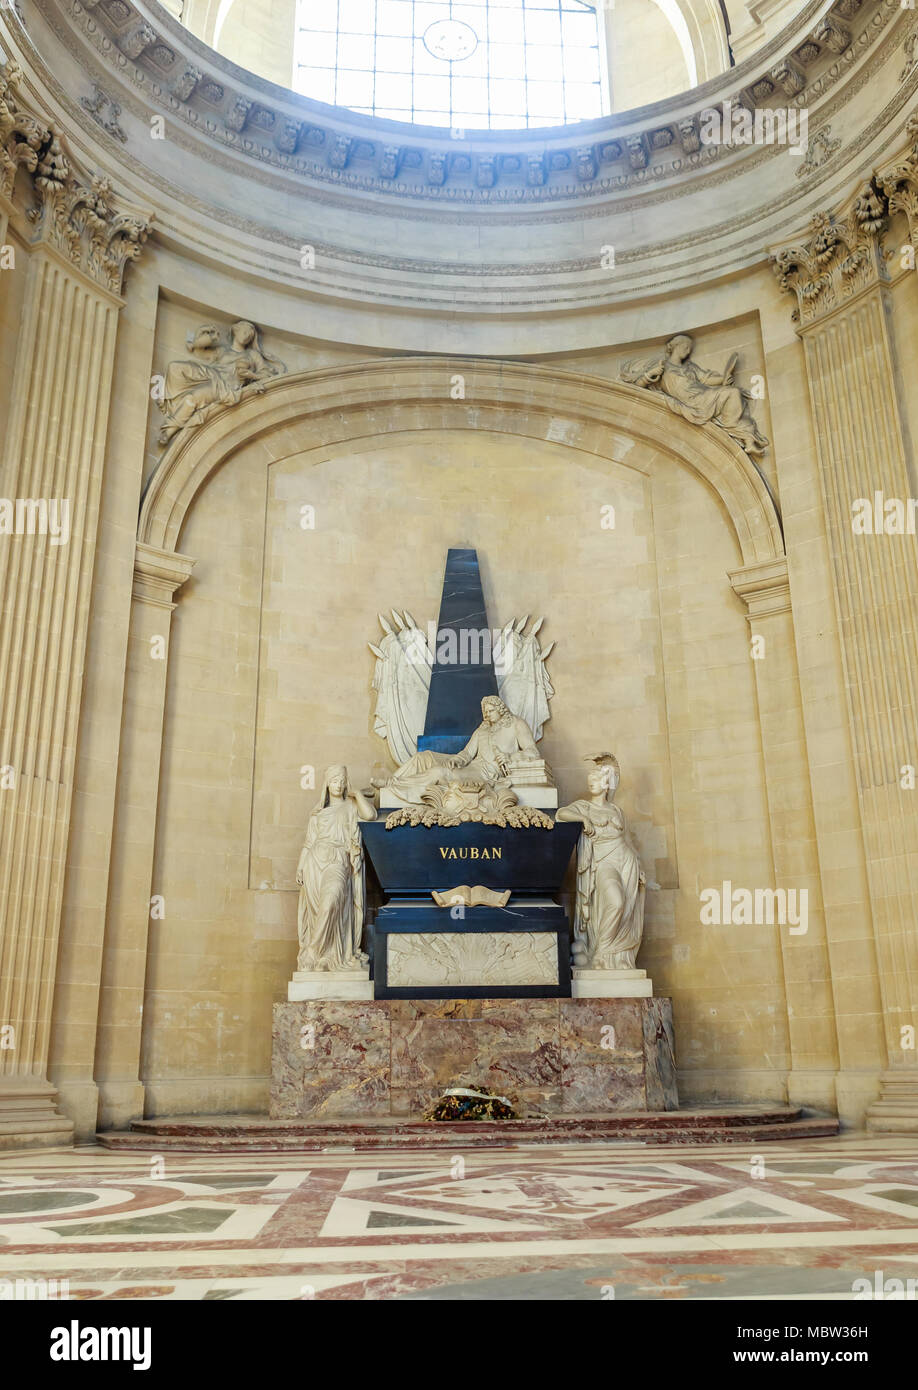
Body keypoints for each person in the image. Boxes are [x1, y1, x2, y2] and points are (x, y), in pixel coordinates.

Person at [296, 765, 376, 972]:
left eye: (342, 781)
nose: (338, 785)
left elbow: (370, 816)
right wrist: (300, 867)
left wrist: (357, 794)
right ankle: (323, 957)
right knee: (319, 910)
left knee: (330, 902)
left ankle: (312, 951)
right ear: (327, 784)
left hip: (338, 859)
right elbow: (308, 843)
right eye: (334, 781)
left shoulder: (351, 806)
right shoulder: (318, 813)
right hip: (315, 862)